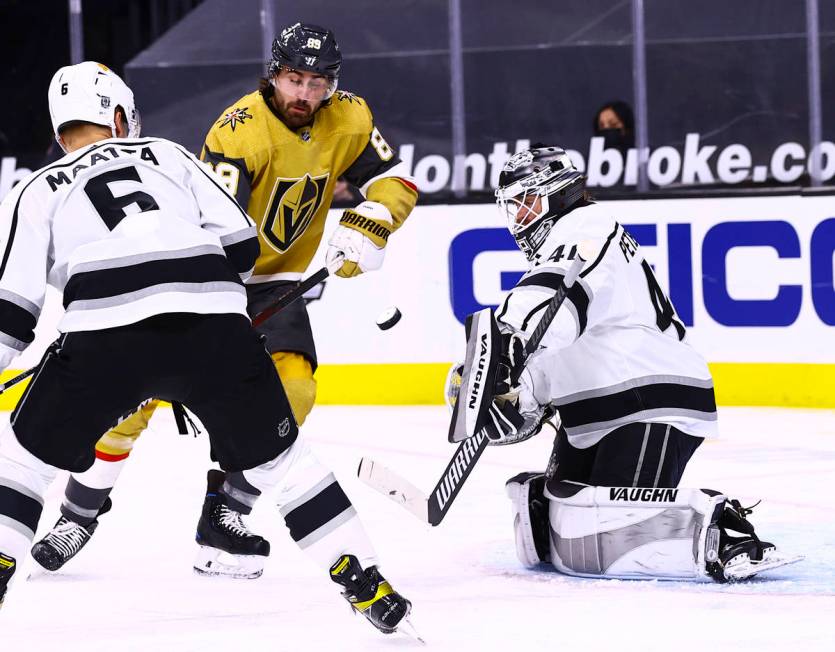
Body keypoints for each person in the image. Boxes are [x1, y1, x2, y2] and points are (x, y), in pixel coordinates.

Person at [0, 62, 412, 634]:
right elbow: (241, 245)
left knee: (20, 465)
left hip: (109, 335)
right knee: (288, 461)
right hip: (215, 323)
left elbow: (11, 314)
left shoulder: (35, 187)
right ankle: (367, 582)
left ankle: (8, 559)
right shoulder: (168, 152)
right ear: (120, 117)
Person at [472, 145, 798, 581]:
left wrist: (508, 340)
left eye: (526, 203)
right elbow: (558, 342)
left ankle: (726, 532)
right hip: (598, 413)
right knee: (558, 532)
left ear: (558, 194)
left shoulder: (585, 229)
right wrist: (518, 400)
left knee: (608, 532)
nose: (518, 219)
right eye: (511, 208)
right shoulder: (564, 250)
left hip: (650, 398)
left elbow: (555, 300)